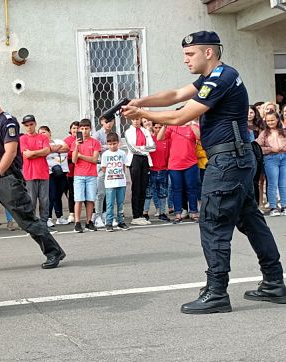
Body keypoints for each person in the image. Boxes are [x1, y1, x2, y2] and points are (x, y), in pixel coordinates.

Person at [122, 30, 286, 313]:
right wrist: (142, 102)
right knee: (250, 220)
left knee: (212, 222)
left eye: (190, 54)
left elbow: (180, 115)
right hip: (236, 159)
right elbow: (174, 95)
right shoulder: (214, 77)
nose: (185, 60)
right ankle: (273, 281)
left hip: (227, 161)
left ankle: (217, 292)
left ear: (208, 52)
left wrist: (142, 115)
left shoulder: (221, 78)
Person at [0, 83, 65, 272]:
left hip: (7, 180)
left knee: (26, 220)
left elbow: (10, 151)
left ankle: (54, 251)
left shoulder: (8, 121)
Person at [158, 120, 201, 223]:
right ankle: (178, 213)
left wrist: (191, 124)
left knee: (192, 188)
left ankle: (194, 212)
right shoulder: (172, 127)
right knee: (176, 189)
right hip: (175, 164)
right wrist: (164, 126)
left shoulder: (192, 126)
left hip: (190, 163)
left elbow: (199, 137)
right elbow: (159, 138)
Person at [122, 118, 156, 225]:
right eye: (134, 120)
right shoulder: (128, 132)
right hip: (135, 159)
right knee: (136, 187)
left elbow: (153, 147)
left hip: (145, 159)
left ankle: (141, 214)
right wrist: (144, 150)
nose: (136, 121)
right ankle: (135, 215)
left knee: (143, 187)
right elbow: (132, 149)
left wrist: (141, 147)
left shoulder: (145, 131)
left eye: (137, 119)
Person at [19, 115, 51, 225]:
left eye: (31, 124)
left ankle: (44, 223)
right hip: (29, 174)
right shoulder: (22, 139)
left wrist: (33, 152)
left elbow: (47, 151)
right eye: (26, 125)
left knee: (44, 201)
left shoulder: (43, 137)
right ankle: (32, 224)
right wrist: (39, 152)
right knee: (31, 201)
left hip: (43, 173)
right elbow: (27, 155)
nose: (29, 127)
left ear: (35, 124)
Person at [71, 119, 101, 233]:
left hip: (91, 175)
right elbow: (74, 160)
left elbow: (94, 159)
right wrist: (77, 147)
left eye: (86, 128)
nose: (84, 131)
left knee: (90, 200)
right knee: (78, 200)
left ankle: (89, 222)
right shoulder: (75, 142)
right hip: (79, 175)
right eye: (82, 129)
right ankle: (77, 222)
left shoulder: (95, 142)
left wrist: (80, 155)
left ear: (90, 129)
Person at [256, 112, 286, 216]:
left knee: (283, 183)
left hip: (284, 158)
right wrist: (270, 149)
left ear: (278, 120)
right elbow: (258, 146)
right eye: (268, 121)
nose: (270, 122)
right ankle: (273, 207)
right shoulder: (264, 133)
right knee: (272, 183)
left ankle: (284, 206)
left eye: (272, 120)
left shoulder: (283, 132)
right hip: (270, 159)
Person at [100, 133, 129, 232]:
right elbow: (103, 168)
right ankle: (109, 222)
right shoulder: (105, 154)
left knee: (120, 203)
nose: (112, 146)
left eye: (114, 143)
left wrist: (121, 176)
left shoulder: (122, 153)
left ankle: (121, 221)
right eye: (110, 144)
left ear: (118, 143)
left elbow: (124, 166)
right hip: (110, 183)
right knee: (110, 204)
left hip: (121, 182)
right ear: (107, 144)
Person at [144, 123, 170, 221]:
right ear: (153, 128)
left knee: (163, 192)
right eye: (156, 127)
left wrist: (167, 167)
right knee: (148, 192)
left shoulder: (167, 140)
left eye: (160, 127)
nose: (158, 129)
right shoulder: (150, 140)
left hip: (163, 170)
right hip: (151, 170)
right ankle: (145, 212)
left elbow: (169, 155)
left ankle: (162, 212)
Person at [91, 117, 115, 227]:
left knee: (110, 192)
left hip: (112, 165)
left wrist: (106, 147)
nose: (108, 124)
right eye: (106, 122)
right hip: (100, 164)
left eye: (110, 121)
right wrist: (109, 146)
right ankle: (98, 216)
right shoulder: (97, 135)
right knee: (100, 193)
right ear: (101, 122)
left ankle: (108, 214)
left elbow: (117, 147)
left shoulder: (114, 134)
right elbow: (96, 148)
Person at [44, 126, 70, 226]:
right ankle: (48, 218)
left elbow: (67, 148)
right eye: (40, 133)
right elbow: (44, 152)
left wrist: (52, 149)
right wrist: (56, 149)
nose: (43, 134)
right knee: (51, 195)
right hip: (50, 172)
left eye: (45, 132)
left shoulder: (58, 141)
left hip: (62, 171)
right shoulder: (42, 144)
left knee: (58, 195)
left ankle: (59, 217)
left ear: (50, 132)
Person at [64, 121, 80, 223]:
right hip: (70, 170)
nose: (76, 130)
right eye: (74, 128)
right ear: (70, 130)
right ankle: (72, 213)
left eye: (77, 128)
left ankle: (93, 212)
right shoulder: (66, 140)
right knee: (72, 193)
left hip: (82, 168)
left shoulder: (83, 140)